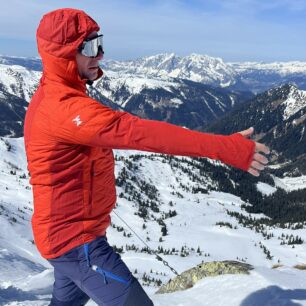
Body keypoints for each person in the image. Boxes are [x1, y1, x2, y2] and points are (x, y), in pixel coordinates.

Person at [24, 8, 270, 306]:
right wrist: (225, 148)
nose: (100, 54)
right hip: (75, 243)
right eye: (89, 46)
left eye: (99, 43)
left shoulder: (56, 93)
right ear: (63, 54)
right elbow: (142, 134)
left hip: (66, 237)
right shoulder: (66, 109)